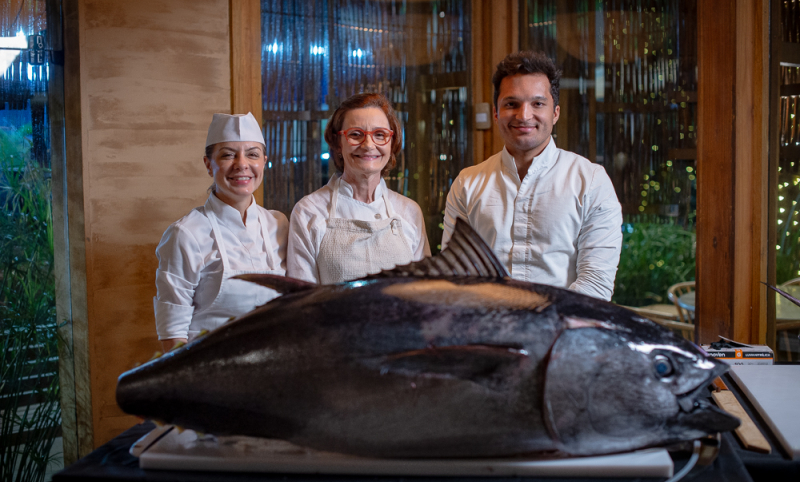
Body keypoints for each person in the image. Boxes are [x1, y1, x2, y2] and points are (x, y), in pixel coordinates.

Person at [442, 51, 622, 300]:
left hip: (563, 324)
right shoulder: (467, 183)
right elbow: (455, 276)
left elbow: (596, 284)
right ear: (496, 113)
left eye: (537, 104)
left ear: (555, 113)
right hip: (485, 323)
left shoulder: (590, 181)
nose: (524, 115)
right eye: (511, 104)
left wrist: (536, 318)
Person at [154, 113, 288, 350]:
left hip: (274, 361)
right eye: (228, 155)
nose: (242, 164)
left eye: (252, 154)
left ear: (264, 162)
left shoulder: (279, 224)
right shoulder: (185, 234)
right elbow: (173, 332)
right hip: (209, 366)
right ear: (208, 164)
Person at [288, 93, 430, 284]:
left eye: (380, 135)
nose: (369, 145)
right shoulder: (308, 212)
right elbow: (302, 298)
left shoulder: (409, 212)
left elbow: (423, 290)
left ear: (392, 142)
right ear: (338, 143)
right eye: (355, 134)